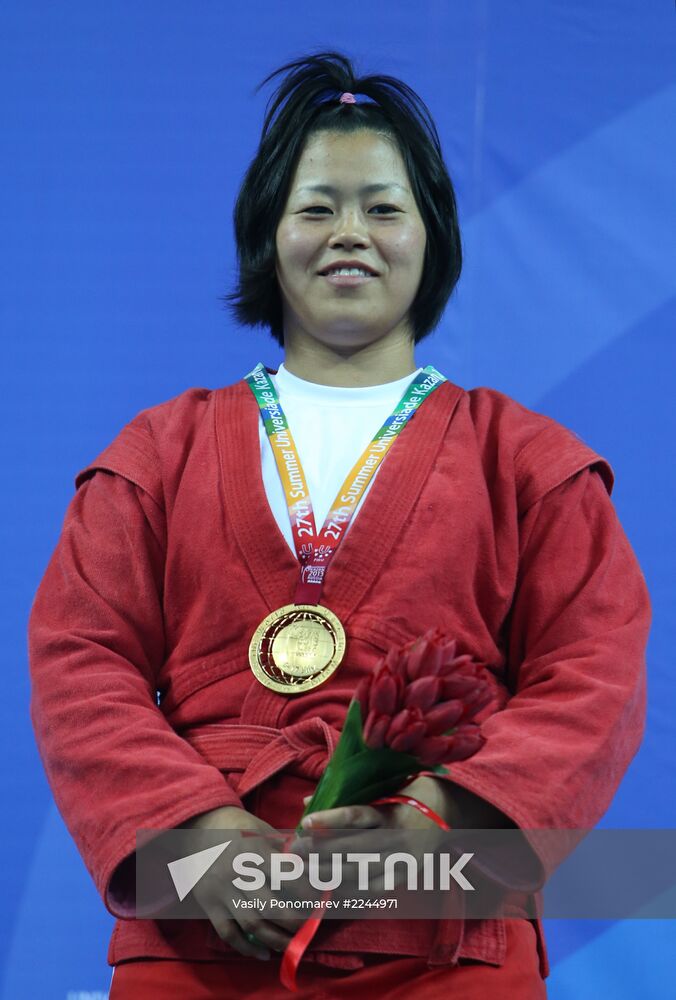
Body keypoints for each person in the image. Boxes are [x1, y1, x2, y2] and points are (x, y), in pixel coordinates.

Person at [28, 51, 650, 999]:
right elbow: (80, 661)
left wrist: (439, 819)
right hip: (202, 927)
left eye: (384, 208)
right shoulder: (158, 452)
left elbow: (596, 673)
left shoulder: (527, 461)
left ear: (433, 237)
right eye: (316, 207)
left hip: (442, 922)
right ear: (266, 235)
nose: (349, 233)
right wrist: (196, 837)